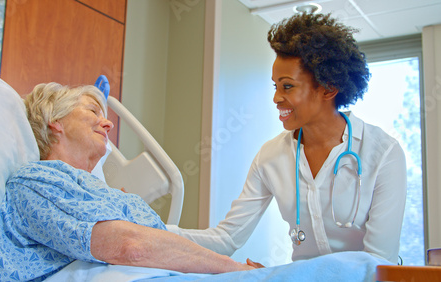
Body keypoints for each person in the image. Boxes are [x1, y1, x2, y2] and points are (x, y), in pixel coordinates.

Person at [167, 13, 407, 264]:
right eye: (275, 86)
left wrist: (281, 278)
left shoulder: (383, 154)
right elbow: (226, 238)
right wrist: (154, 229)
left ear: (328, 88)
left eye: (287, 86)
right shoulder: (271, 157)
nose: (276, 98)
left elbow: (379, 262)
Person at [0, 83, 255, 282]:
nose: (108, 125)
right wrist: (235, 269)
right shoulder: (34, 183)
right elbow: (132, 248)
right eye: (92, 111)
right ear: (55, 121)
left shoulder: (92, 190)